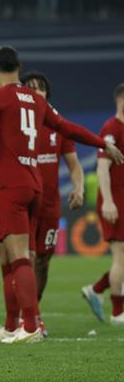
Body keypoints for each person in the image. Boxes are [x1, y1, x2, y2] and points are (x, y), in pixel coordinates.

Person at [0, 46, 124, 343]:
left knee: (19, 258)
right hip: (35, 186)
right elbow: (69, 128)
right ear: (19, 67)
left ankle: (29, 326)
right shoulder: (37, 102)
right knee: (10, 256)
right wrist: (101, 144)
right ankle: (10, 325)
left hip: (11, 186)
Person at [0, 71, 84, 339]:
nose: (35, 92)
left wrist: (79, 187)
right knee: (26, 258)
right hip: (21, 202)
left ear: (47, 94)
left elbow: (74, 165)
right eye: (30, 88)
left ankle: (27, 318)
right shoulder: (13, 127)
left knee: (42, 263)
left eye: (40, 88)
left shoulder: (58, 127)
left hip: (49, 205)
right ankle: (28, 320)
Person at [81, 83, 124, 325]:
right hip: (115, 201)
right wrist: (108, 200)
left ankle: (96, 289)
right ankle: (118, 312)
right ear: (120, 100)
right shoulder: (111, 128)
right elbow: (102, 166)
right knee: (120, 255)